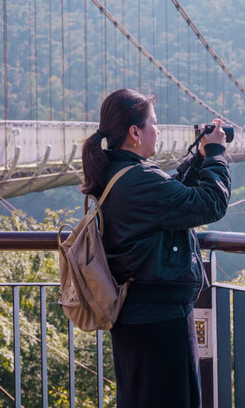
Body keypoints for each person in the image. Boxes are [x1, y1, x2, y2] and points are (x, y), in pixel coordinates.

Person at [81, 88, 231, 408]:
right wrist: (216, 154)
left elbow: (170, 198)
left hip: (136, 316)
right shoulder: (140, 179)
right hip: (160, 321)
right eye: (154, 122)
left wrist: (198, 161)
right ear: (135, 132)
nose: (159, 130)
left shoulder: (118, 173)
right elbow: (211, 204)